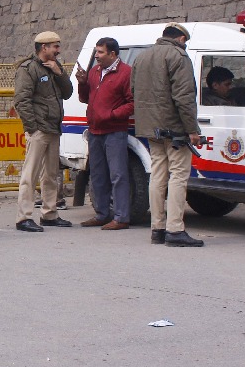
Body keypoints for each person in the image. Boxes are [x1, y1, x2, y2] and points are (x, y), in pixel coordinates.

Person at [131, 23, 204, 247]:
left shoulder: (142, 57)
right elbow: (184, 97)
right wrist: (192, 129)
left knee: (157, 175)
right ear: (181, 39)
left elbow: (134, 90)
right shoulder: (178, 56)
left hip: (150, 127)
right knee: (179, 177)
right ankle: (175, 229)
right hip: (174, 128)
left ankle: (157, 228)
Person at [14, 30, 74, 232]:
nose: (58, 50)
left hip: (53, 128)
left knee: (50, 174)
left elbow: (68, 93)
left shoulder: (54, 68)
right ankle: (23, 217)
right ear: (43, 48)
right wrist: (32, 127)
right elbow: (22, 101)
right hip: (39, 129)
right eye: (55, 46)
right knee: (30, 174)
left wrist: (59, 72)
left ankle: (49, 213)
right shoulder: (29, 69)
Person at [75, 36, 134, 230]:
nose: (96, 56)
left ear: (113, 54)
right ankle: (101, 214)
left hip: (114, 131)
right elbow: (85, 98)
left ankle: (121, 217)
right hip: (95, 130)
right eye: (96, 51)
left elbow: (132, 102)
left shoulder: (126, 73)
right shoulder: (94, 72)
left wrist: (112, 115)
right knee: (98, 174)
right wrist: (82, 83)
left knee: (118, 175)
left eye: (100, 52)